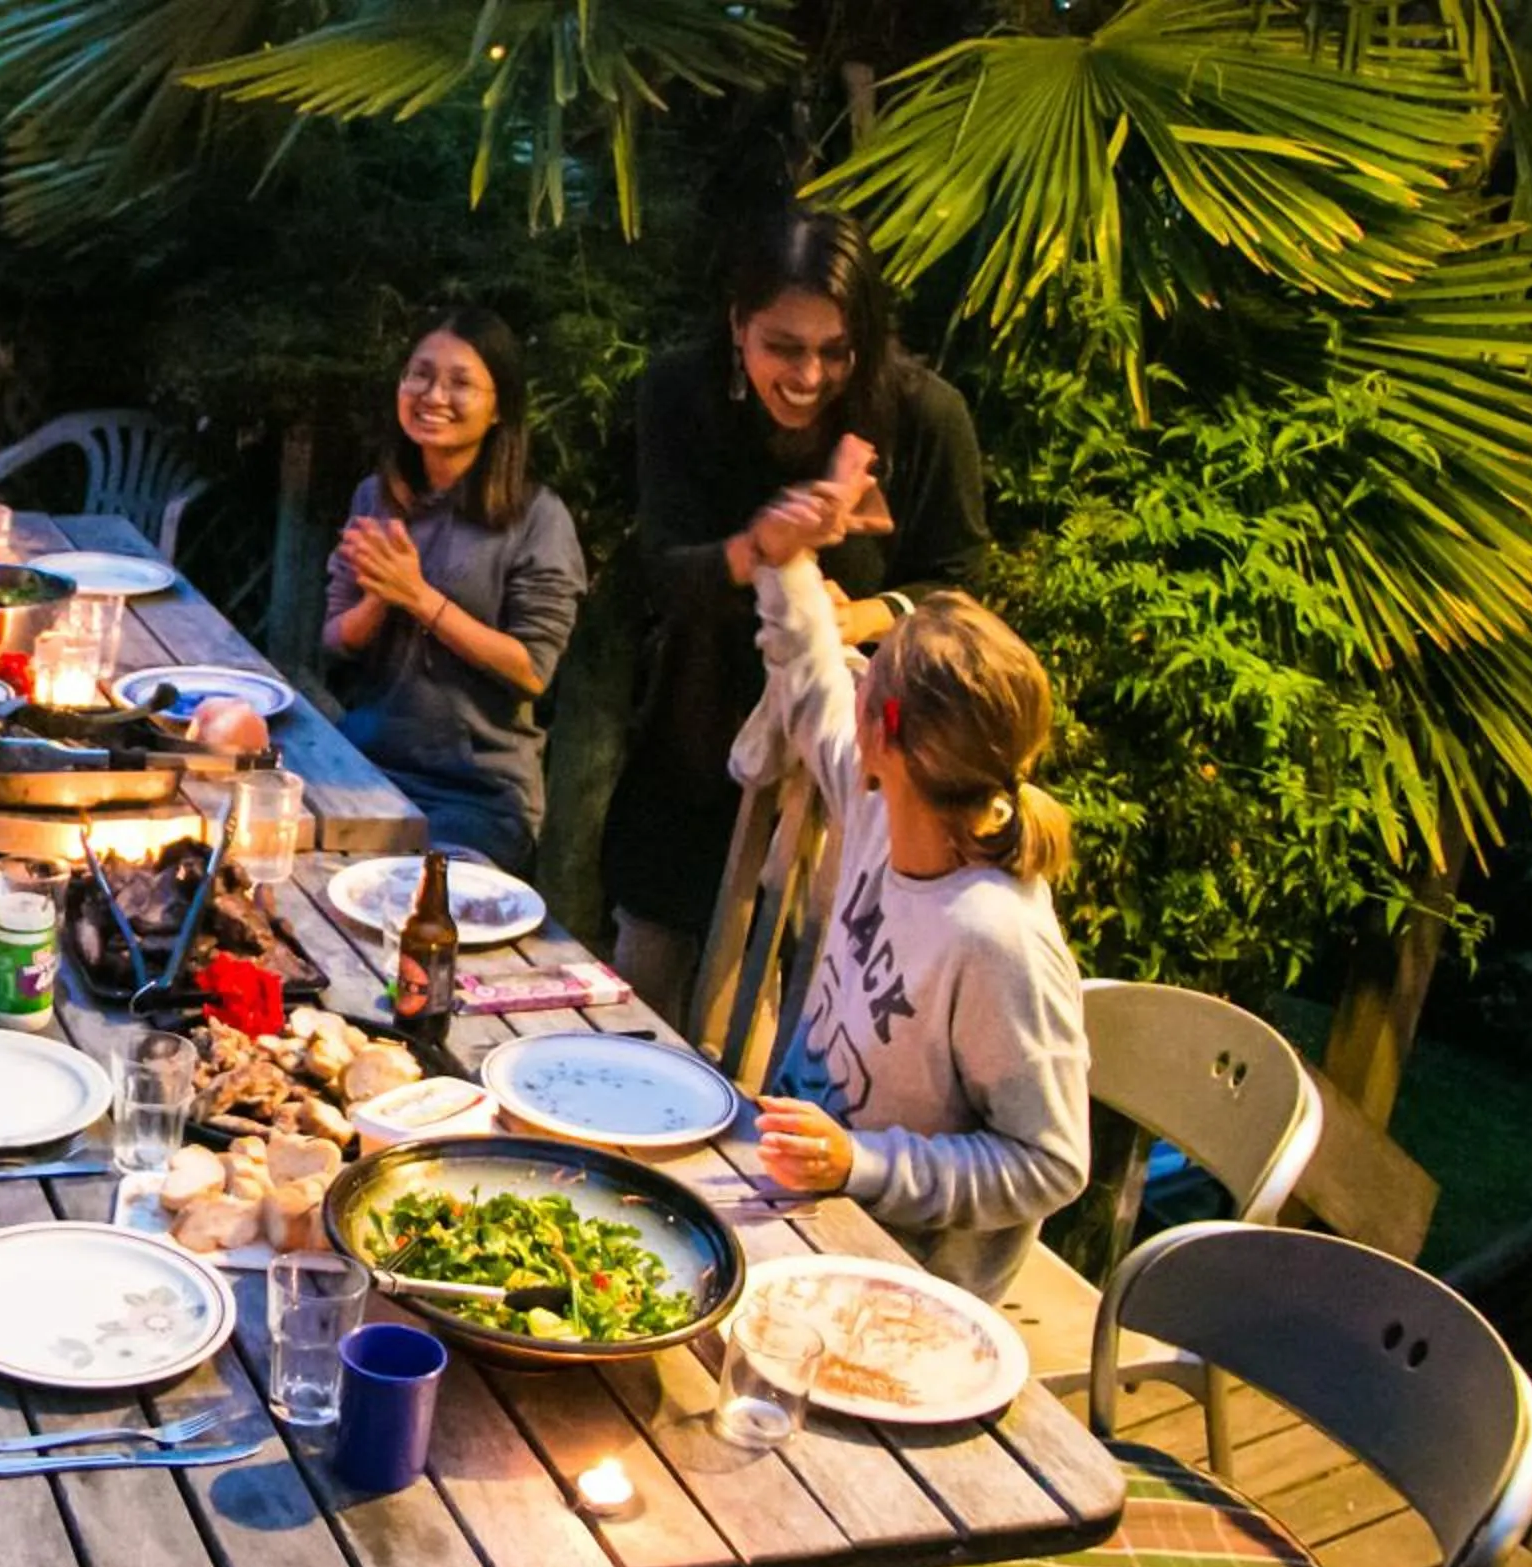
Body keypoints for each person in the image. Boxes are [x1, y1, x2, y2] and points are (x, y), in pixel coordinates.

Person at [601, 207, 988, 1028]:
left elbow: (958, 587)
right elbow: (660, 573)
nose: (809, 376)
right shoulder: (681, 393)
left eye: (835, 351)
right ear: (737, 324)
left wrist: (859, 618)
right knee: (644, 978)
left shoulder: (923, 416)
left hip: (847, 763)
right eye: (783, 346)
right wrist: (759, 552)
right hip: (697, 730)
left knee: (791, 1010)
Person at [735, 440, 1087, 1299]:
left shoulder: (996, 934)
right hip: (799, 1201)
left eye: (870, 673)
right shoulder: (876, 805)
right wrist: (786, 560)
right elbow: (814, 677)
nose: (851, 676)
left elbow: (1049, 1162)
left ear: (885, 734)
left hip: (903, 1278)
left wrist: (863, 1163)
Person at [320, 307, 585, 872]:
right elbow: (336, 639)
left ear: (499, 408)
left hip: (477, 796)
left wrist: (418, 597)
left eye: (460, 382)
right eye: (420, 374)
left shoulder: (538, 519)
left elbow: (531, 670)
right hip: (363, 764)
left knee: (416, 907)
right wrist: (380, 597)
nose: (434, 395)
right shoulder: (376, 496)